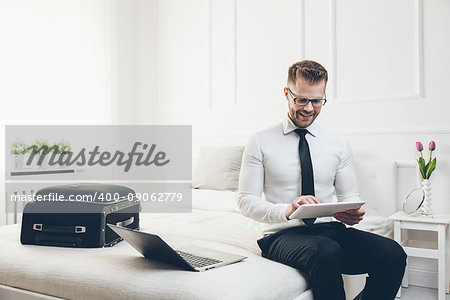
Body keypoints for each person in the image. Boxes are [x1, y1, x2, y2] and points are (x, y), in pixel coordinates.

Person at [238, 60, 406, 300]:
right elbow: (246, 201)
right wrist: (287, 209)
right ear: (287, 93)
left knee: (393, 253)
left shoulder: (337, 141)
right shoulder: (260, 141)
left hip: (330, 230)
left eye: (317, 101)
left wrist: (350, 211)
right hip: (281, 235)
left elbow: (349, 196)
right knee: (326, 251)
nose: (309, 108)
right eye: (302, 100)